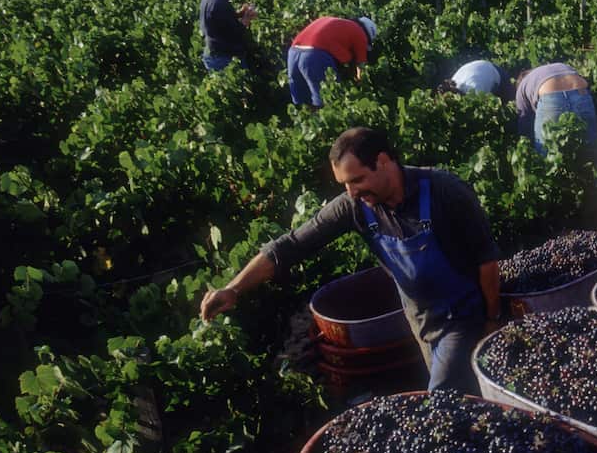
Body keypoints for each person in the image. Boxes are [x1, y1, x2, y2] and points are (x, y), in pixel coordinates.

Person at [199, 127, 501, 393]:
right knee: (465, 400)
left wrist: (491, 320)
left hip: (462, 316)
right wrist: (234, 288)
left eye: (357, 180)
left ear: (384, 161)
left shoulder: (445, 192)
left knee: (443, 399)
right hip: (420, 320)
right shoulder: (355, 207)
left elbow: (486, 261)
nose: (352, 192)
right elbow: (290, 246)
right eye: (345, 184)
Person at [286, 16, 378, 107]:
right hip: (314, 56)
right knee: (327, 104)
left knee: (303, 106)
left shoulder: (335, 22)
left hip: (293, 53)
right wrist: (362, 90)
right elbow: (361, 69)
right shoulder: (360, 33)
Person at [514, 62, 596, 155]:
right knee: (589, 148)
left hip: (551, 95)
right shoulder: (558, 66)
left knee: (546, 153)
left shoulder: (522, 85)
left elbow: (524, 123)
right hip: (581, 92)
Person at [199, 0, 255, 72]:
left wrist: (240, 13)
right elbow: (235, 33)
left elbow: (222, 22)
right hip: (222, 58)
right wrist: (246, 18)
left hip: (213, 52)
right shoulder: (218, 2)